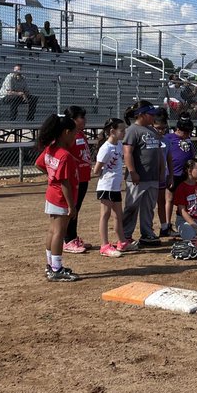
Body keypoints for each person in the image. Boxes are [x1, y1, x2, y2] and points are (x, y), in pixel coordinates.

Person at [34, 113, 80, 282]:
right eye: (74, 133)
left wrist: (51, 175)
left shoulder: (51, 148)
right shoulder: (64, 155)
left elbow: (39, 164)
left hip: (52, 195)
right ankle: (57, 268)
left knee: (53, 231)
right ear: (65, 132)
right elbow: (65, 184)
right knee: (59, 232)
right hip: (61, 198)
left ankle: (50, 265)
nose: (75, 137)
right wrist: (71, 206)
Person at [119, 100, 164, 250]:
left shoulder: (152, 131)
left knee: (148, 207)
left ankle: (147, 232)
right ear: (142, 115)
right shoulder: (133, 130)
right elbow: (127, 153)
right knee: (132, 206)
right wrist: (133, 171)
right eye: (150, 114)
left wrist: (161, 172)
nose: (153, 117)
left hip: (152, 176)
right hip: (138, 177)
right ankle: (125, 234)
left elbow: (158, 154)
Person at [92, 117, 126, 257]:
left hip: (115, 186)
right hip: (106, 186)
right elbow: (96, 170)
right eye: (121, 130)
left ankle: (122, 241)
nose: (124, 132)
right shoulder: (105, 148)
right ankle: (104, 245)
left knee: (118, 215)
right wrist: (107, 174)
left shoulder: (118, 145)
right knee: (105, 215)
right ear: (112, 131)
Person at [61, 105, 92, 254]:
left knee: (77, 208)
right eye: (81, 118)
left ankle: (73, 237)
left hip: (84, 177)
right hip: (75, 178)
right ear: (72, 120)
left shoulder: (81, 134)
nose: (84, 120)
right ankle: (68, 239)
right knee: (72, 209)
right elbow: (64, 154)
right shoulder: (69, 136)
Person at [164, 116, 195, 227]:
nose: (187, 134)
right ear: (177, 129)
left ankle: (184, 221)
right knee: (170, 199)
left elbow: (192, 154)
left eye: (188, 132)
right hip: (173, 173)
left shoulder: (188, 139)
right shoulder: (169, 138)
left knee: (185, 199)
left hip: (185, 174)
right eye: (185, 132)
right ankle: (167, 224)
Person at [172, 157, 197, 241]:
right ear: (189, 171)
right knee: (195, 240)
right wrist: (193, 225)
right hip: (184, 221)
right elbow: (182, 211)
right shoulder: (181, 188)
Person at [153, 110, 174, 237]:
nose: (161, 131)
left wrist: (170, 175)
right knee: (149, 205)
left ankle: (164, 227)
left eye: (163, 128)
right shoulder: (150, 139)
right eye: (158, 128)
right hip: (150, 176)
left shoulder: (166, 141)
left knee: (161, 201)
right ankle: (148, 229)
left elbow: (169, 159)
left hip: (162, 176)